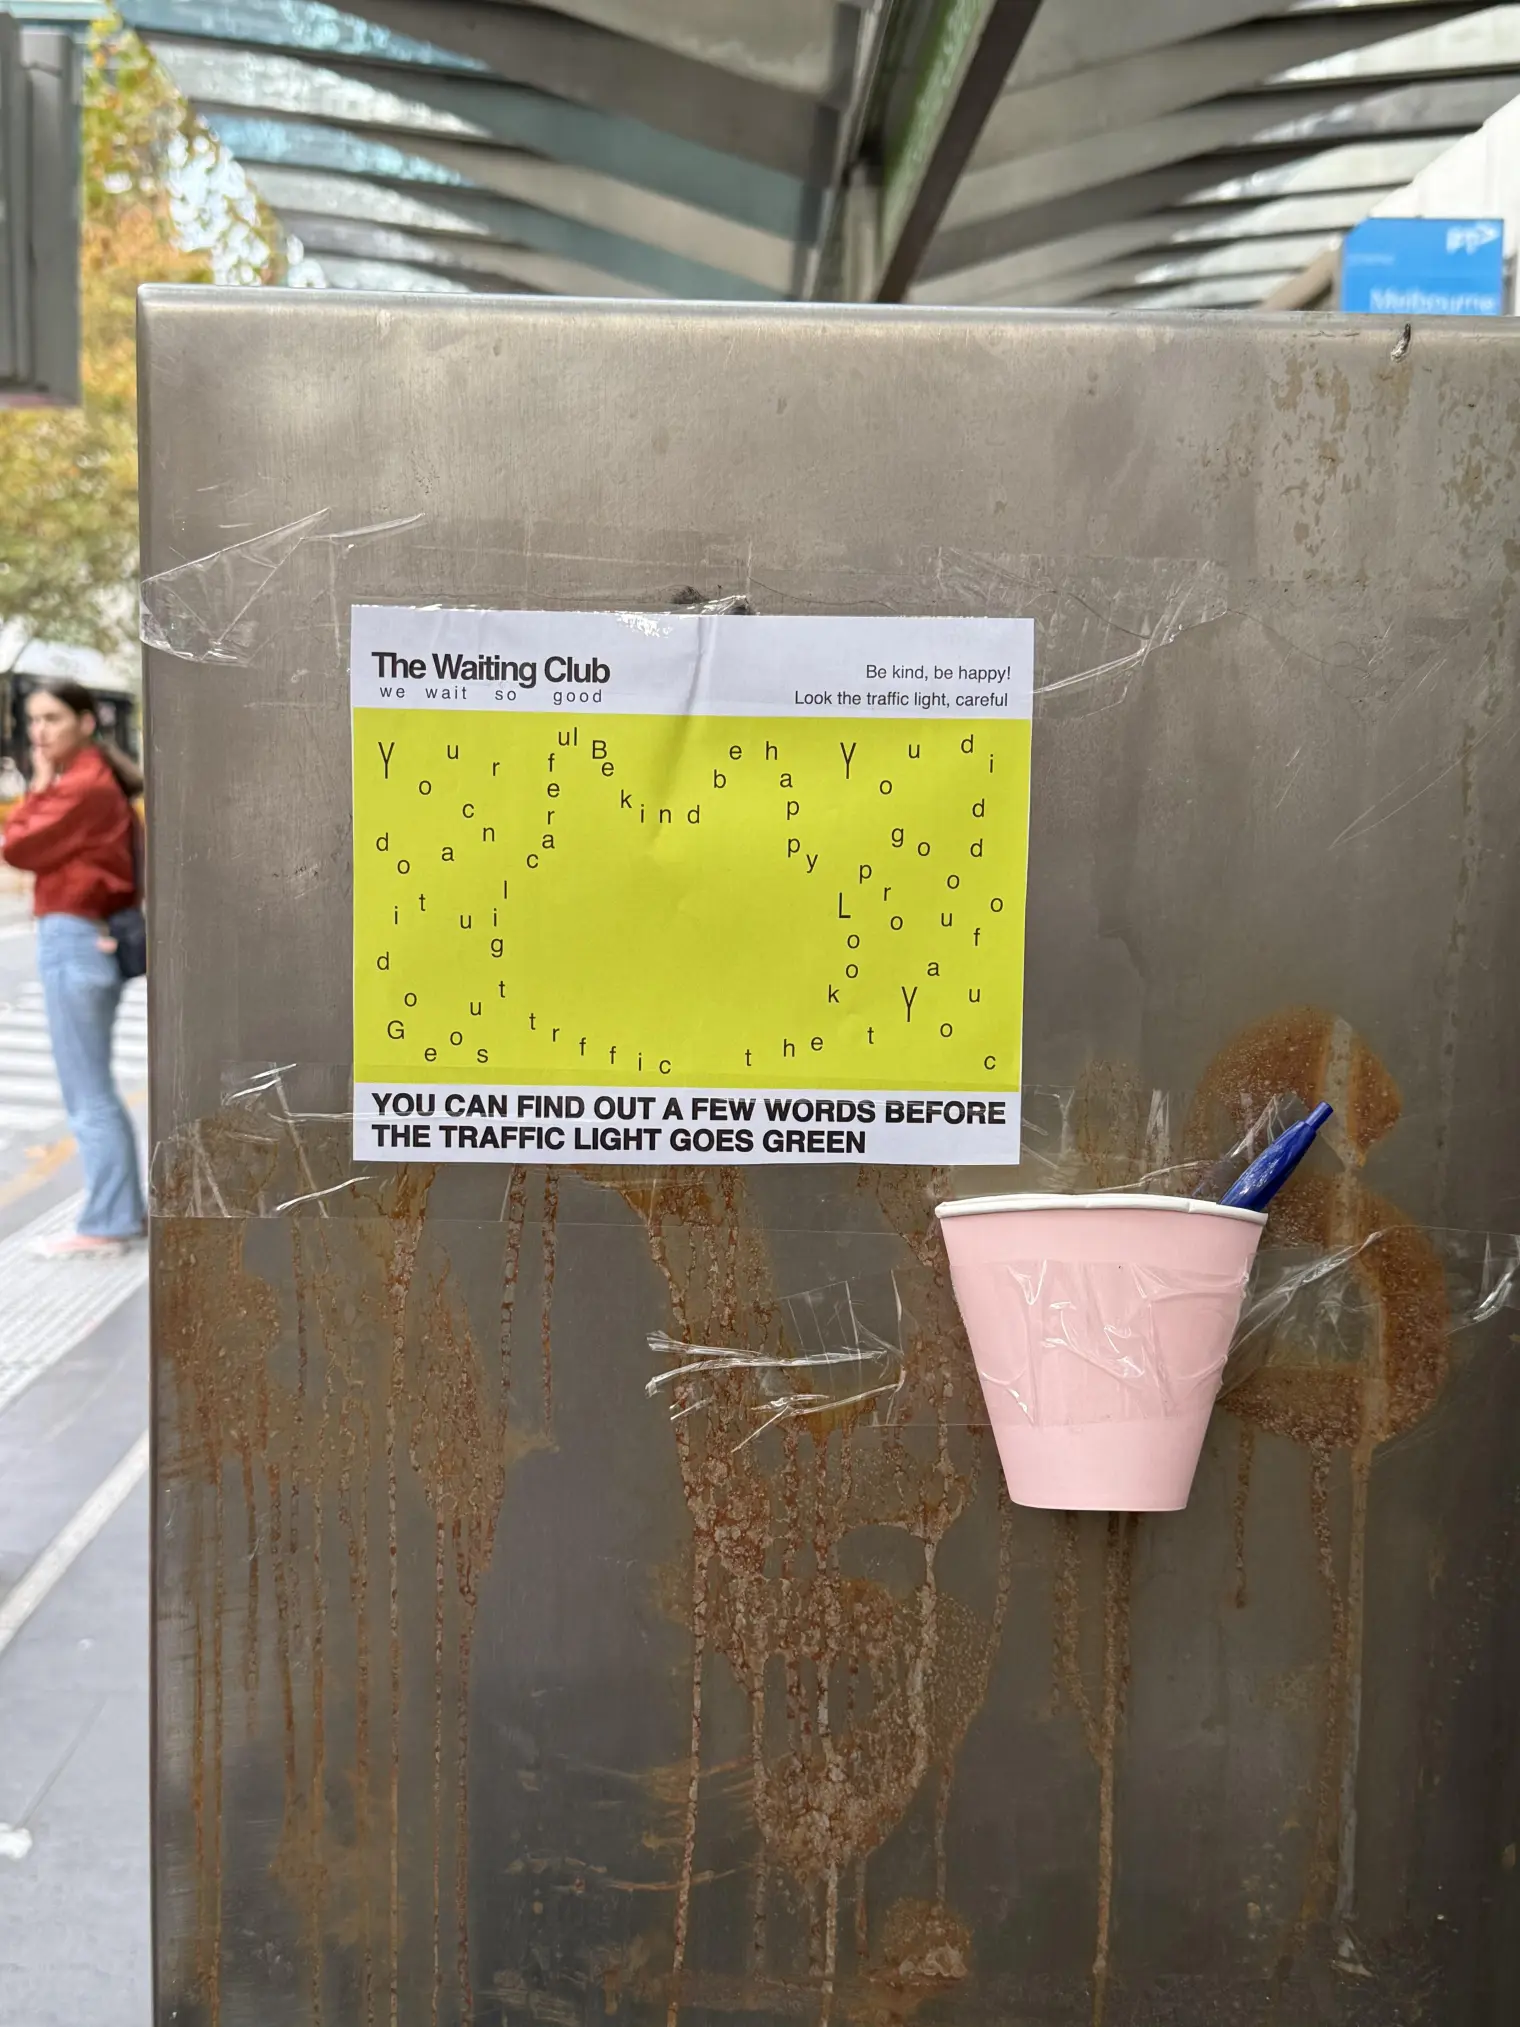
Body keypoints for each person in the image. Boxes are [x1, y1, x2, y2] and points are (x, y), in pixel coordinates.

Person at [0, 676, 147, 1254]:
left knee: (87, 1092)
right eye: (34, 720)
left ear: (86, 722)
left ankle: (107, 1223)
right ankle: (119, 1212)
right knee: (93, 1087)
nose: (39, 731)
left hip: (75, 936)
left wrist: (38, 783)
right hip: (88, 937)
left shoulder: (81, 785)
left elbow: (15, 845)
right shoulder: (97, 778)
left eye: (52, 718)